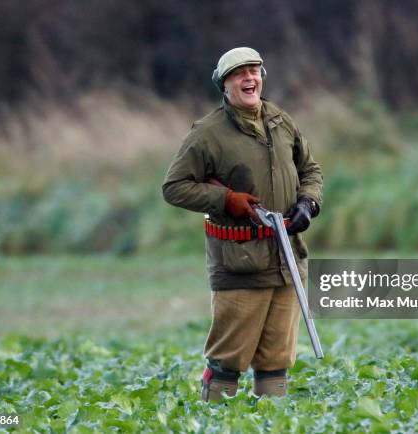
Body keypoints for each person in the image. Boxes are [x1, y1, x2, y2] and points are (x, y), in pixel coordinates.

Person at [162, 47, 323, 401]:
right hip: (240, 264)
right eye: (239, 73)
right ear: (224, 85)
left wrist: (308, 203)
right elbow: (174, 188)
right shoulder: (207, 133)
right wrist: (225, 200)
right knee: (227, 360)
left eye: (254, 70)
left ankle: (270, 423)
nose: (249, 78)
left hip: (287, 260)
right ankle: (214, 420)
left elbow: (310, 169)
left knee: (276, 360)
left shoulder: (282, 121)